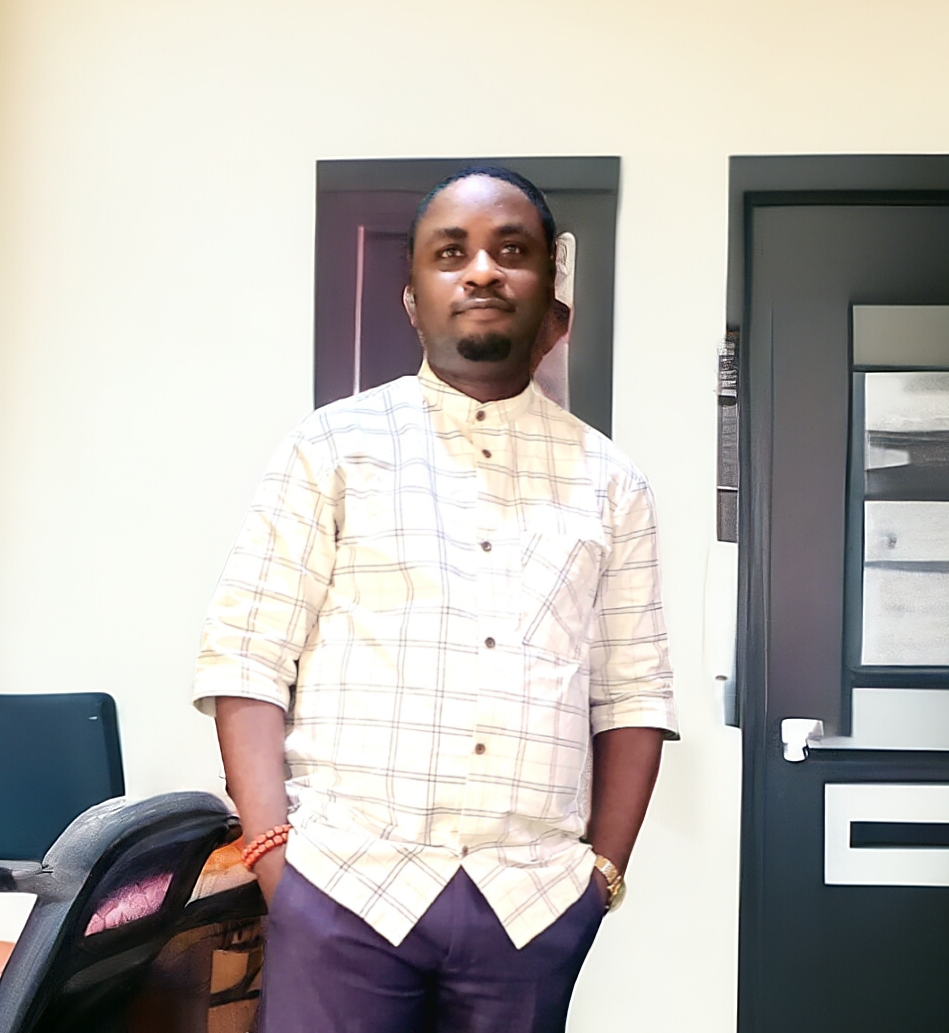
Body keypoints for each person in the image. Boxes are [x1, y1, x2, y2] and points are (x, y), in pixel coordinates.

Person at [193, 166, 678, 1033]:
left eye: (512, 251)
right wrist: (275, 864)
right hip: (344, 889)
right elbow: (247, 659)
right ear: (414, 301)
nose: (482, 270)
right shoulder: (329, 450)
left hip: (529, 906)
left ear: (553, 304)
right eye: (451, 254)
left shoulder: (614, 483)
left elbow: (633, 693)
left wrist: (600, 876)